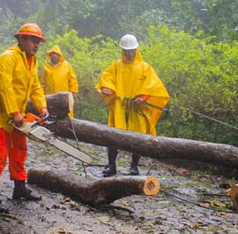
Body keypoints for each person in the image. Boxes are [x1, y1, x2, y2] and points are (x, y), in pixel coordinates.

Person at [0, 23, 49, 213]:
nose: (36, 45)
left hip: (18, 116)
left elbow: (35, 86)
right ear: (22, 39)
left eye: (38, 42)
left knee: (19, 151)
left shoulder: (31, 61)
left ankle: (19, 188)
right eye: (33, 41)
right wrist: (14, 112)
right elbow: (5, 87)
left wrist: (42, 106)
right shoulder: (7, 58)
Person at [95, 34, 169, 177]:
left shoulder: (145, 68)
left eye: (132, 50)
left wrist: (143, 96)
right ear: (122, 51)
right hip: (120, 106)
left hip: (137, 109)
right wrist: (107, 89)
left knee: (138, 137)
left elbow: (153, 86)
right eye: (127, 50)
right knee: (113, 135)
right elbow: (106, 80)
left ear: (136, 49)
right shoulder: (116, 66)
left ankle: (134, 167)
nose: (130, 53)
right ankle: (111, 166)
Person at [41, 45, 79, 117]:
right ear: (50, 55)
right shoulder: (46, 66)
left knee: (66, 117)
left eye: (56, 54)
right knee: (51, 117)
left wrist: (74, 91)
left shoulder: (66, 65)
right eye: (52, 54)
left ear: (59, 55)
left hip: (65, 98)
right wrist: (41, 96)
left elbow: (72, 80)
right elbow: (43, 83)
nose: (54, 56)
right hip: (50, 98)